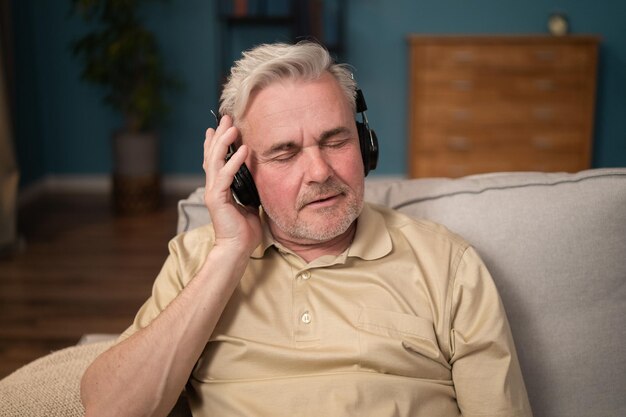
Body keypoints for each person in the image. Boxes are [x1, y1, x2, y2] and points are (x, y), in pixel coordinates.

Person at [80, 41, 533, 417]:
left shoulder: (448, 266)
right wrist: (230, 253)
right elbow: (110, 409)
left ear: (366, 145)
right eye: (284, 153)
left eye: (336, 141)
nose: (319, 171)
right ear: (240, 173)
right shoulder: (198, 261)